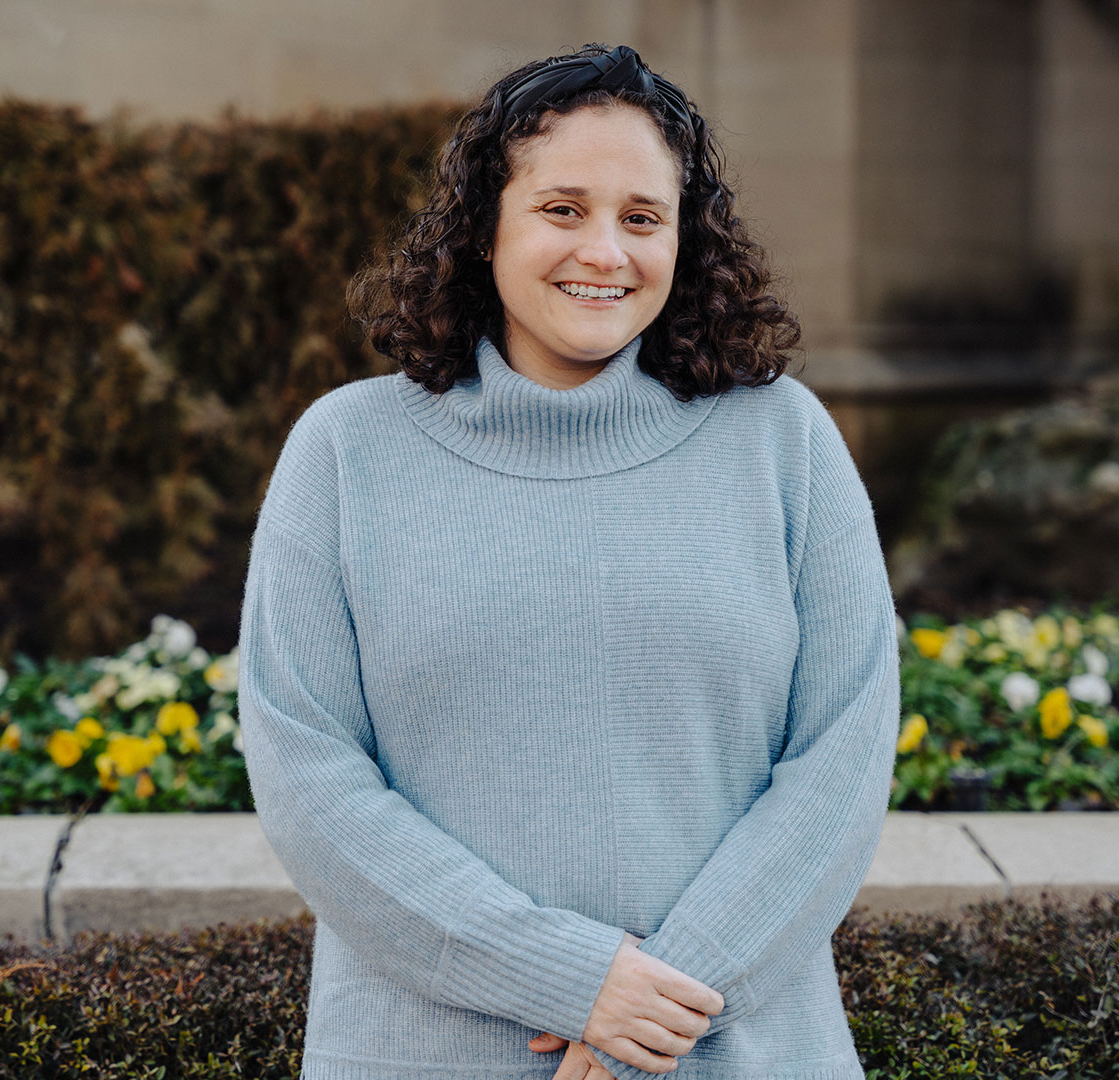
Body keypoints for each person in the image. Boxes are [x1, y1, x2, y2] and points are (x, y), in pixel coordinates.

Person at [237, 43, 901, 1080]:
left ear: (685, 241)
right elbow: (305, 767)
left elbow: (843, 757)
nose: (606, 250)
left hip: (735, 1048)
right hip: (422, 1054)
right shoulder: (346, 451)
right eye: (561, 209)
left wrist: (658, 1000)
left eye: (643, 218)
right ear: (484, 227)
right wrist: (566, 978)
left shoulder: (784, 442)